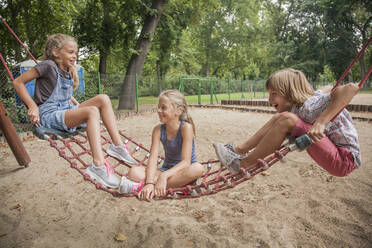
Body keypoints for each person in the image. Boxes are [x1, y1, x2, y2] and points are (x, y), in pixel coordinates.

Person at [12, 33, 137, 189]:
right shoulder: (48, 65)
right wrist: (32, 106)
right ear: (56, 52)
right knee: (91, 111)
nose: (74, 56)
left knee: (103, 98)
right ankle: (98, 165)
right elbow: (18, 82)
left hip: (65, 111)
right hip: (49, 115)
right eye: (70, 52)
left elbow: (66, 95)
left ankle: (117, 146)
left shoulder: (68, 70)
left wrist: (78, 107)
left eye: (75, 53)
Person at [213, 68, 361, 177]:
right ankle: (239, 150)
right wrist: (327, 92)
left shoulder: (309, 107)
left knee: (287, 119)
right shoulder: (305, 106)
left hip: (344, 159)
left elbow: (351, 88)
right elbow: (328, 88)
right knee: (283, 117)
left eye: (274, 94)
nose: (270, 99)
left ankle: (244, 164)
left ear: (290, 93)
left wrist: (321, 122)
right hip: (336, 154)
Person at [119, 89, 204, 201]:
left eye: (163, 107)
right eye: (158, 107)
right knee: (134, 172)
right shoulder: (158, 130)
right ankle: (172, 185)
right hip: (165, 170)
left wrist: (164, 177)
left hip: (184, 170)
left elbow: (186, 162)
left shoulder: (186, 128)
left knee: (198, 168)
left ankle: (156, 186)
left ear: (178, 111)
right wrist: (149, 182)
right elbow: (153, 158)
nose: (159, 110)